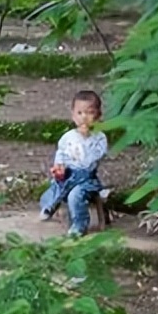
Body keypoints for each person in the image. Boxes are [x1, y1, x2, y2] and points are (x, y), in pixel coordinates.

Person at [39, 90, 107, 237]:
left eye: (89, 113)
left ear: (98, 116)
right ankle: (47, 206)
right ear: (73, 115)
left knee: (75, 195)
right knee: (55, 185)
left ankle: (78, 226)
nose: (84, 117)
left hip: (87, 178)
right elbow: (61, 153)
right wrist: (59, 166)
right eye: (80, 113)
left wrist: (86, 136)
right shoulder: (68, 137)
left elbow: (91, 161)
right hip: (68, 174)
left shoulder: (99, 138)